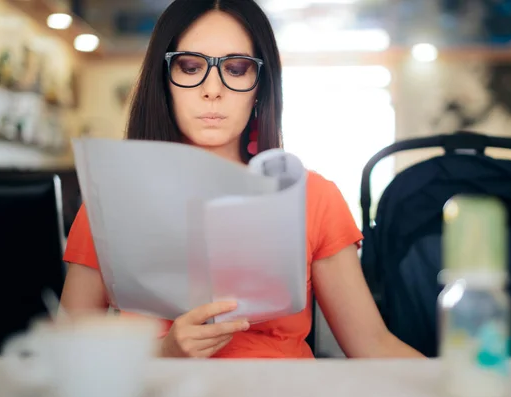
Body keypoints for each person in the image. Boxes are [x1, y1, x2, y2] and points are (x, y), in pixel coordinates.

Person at [61, 0, 423, 359]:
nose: (212, 89)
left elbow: (373, 344)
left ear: (260, 87)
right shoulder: (113, 199)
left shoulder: (312, 196)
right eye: (190, 67)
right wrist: (163, 353)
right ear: (164, 80)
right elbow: (67, 355)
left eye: (236, 69)